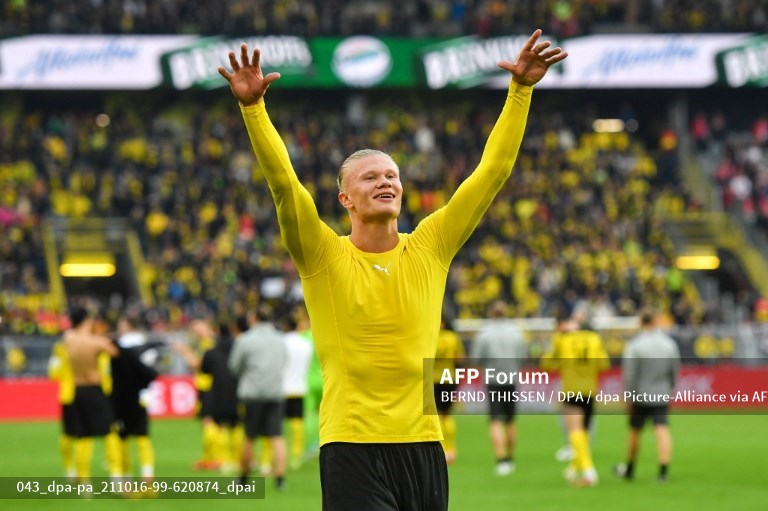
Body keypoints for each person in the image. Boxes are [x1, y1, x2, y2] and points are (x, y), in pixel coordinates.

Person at [218, 28, 567, 510]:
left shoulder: (431, 245)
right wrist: (254, 111)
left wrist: (521, 91)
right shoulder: (321, 254)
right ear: (345, 199)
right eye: (370, 176)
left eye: (392, 175)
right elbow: (285, 186)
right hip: (352, 446)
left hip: (424, 446)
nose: (386, 181)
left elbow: (493, 172)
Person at [541, 310, 609, 487]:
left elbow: (547, 363)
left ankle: (588, 470)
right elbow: (604, 364)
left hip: (571, 388)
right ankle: (574, 467)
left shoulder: (563, 339)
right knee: (585, 430)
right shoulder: (595, 339)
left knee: (574, 429)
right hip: (590, 389)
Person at [614, 310, 681, 483]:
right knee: (662, 430)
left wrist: (629, 396)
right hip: (661, 393)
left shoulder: (635, 345)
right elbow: (674, 369)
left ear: (641, 323)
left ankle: (630, 468)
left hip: (640, 395)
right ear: (656, 322)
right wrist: (670, 388)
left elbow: (630, 375)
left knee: (635, 432)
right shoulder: (669, 344)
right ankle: (663, 472)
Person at [229, 306, 287, 490]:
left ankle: (243, 477)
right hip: (275, 392)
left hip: (253, 393)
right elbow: (284, 362)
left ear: (254, 319)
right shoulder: (280, 339)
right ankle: (280, 479)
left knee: (249, 436)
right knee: (277, 436)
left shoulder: (245, 340)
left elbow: (234, 366)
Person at [61, 306, 122, 483]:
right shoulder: (95, 342)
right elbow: (115, 353)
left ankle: (84, 481)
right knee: (109, 433)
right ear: (87, 320)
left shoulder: (69, 339)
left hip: (77, 390)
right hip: (95, 390)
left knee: (82, 436)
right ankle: (116, 477)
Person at [175, 321, 243, 474]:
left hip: (210, 387)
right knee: (222, 423)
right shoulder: (207, 343)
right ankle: (213, 457)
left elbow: (198, 364)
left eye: (197, 327)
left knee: (212, 422)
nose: (194, 331)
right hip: (213, 386)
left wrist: (185, 352)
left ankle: (216, 458)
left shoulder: (210, 344)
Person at [471, 300, 527, 476]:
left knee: (495, 421)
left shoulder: (484, 333)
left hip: (493, 380)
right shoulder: (516, 333)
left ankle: (501, 460)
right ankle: (510, 458)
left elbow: (476, 359)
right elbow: (523, 357)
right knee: (510, 421)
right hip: (511, 379)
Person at [111, 314, 161, 481]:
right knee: (142, 437)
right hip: (140, 396)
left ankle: (124, 477)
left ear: (128, 326)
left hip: (120, 398)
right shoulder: (146, 347)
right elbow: (152, 373)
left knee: (122, 438)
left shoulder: (118, 348)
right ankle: (147, 475)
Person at [281, 307, 314, 469]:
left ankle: (269, 459)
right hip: (300, 387)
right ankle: (297, 455)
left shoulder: (282, 342)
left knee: (275, 427)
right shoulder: (306, 344)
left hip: (282, 388)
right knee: (297, 422)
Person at [432, 313, 465, 465]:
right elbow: (460, 359)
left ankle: (441, 449)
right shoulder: (453, 338)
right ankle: (451, 449)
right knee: (447, 414)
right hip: (449, 379)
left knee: (435, 415)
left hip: (432, 380)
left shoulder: (430, 337)